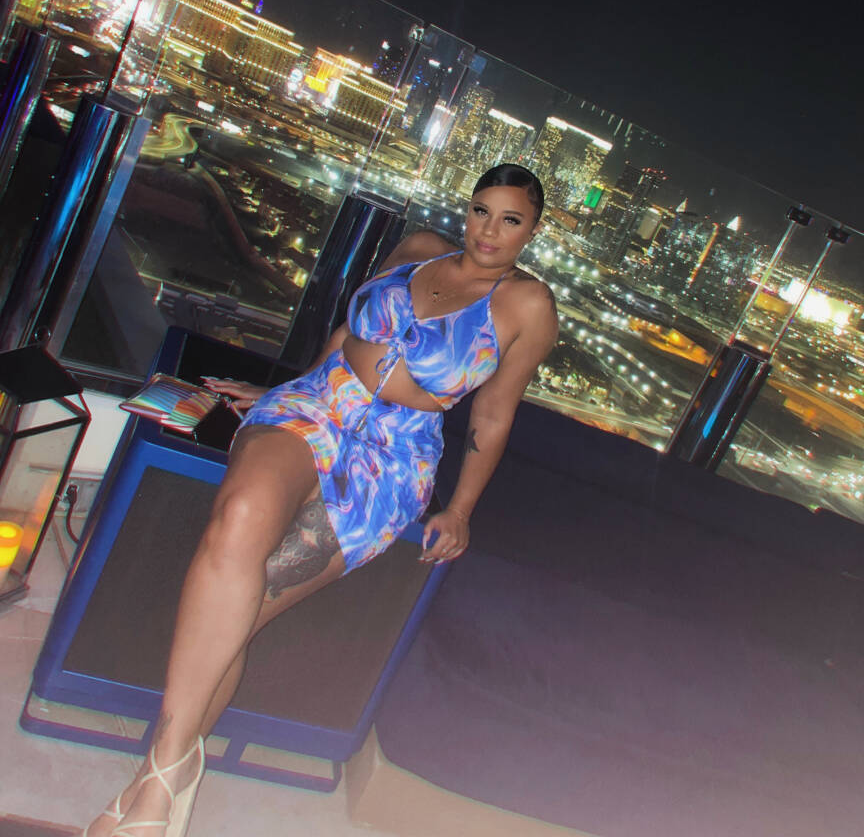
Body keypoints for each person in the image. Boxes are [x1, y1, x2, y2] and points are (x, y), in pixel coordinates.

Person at [82, 162, 558, 837]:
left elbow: (493, 414)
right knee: (237, 523)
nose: (489, 230)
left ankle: (158, 778)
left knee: (242, 610)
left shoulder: (527, 306)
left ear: (533, 231)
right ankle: (161, 788)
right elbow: (346, 338)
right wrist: (281, 387)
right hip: (319, 402)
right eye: (482, 210)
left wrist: (460, 510)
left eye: (511, 220)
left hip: (392, 454)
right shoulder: (419, 248)